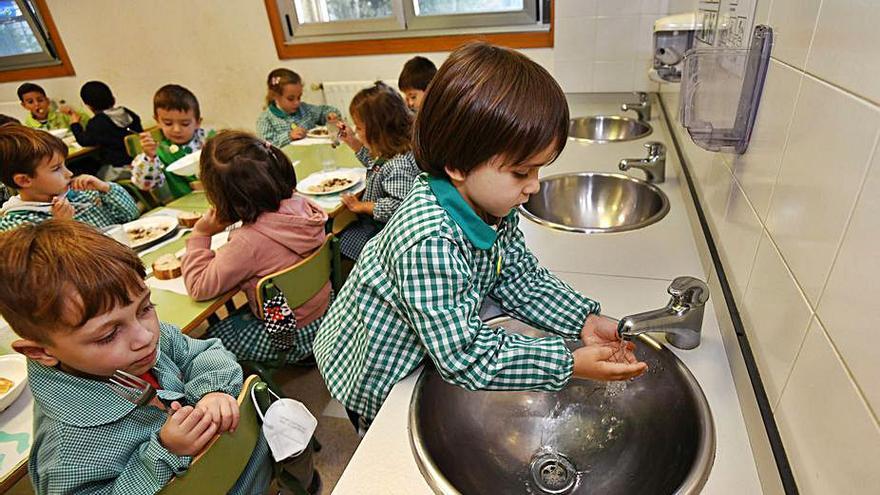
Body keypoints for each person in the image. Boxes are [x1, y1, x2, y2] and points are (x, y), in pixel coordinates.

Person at [314, 43, 647, 431]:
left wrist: (582, 319)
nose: (534, 187)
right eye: (522, 172)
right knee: (384, 436)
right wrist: (568, 363)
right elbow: (465, 354)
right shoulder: (428, 241)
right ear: (457, 164)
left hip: (422, 343)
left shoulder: (490, 207)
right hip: (374, 372)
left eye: (538, 170)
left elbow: (519, 277)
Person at [0, 219, 272, 495]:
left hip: (252, 472)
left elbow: (204, 352)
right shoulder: (65, 450)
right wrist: (163, 453)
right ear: (41, 351)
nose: (145, 337)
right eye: (107, 335)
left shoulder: (147, 339)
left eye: (145, 308)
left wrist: (212, 391)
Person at [181, 130, 332, 364]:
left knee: (205, 341)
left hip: (288, 335)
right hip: (328, 313)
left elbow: (199, 287)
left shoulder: (248, 242)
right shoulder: (303, 205)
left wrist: (201, 233)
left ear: (223, 197)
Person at [334, 81, 420, 260]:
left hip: (384, 234)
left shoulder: (398, 165)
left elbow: (399, 206)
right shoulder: (392, 152)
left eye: (358, 128)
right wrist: (352, 142)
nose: (356, 131)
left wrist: (362, 206)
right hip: (377, 224)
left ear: (376, 130)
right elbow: (376, 166)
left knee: (340, 240)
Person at [0, 125, 139, 231]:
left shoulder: (80, 193)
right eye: (56, 168)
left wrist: (105, 188)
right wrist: (63, 226)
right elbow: (49, 267)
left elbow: (131, 215)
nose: (69, 173)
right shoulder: (18, 224)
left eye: (64, 165)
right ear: (24, 180)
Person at [131, 84, 214, 198]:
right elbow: (145, 185)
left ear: (198, 122)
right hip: (186, 204)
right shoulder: (159, 153)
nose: (177, 130)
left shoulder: (210, 140)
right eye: (168, 123)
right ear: (158, 121)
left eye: (185, 124)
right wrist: (150, 157)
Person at [69, 80, 144, 178]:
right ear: (113, 98)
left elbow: (83, 141)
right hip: (142, 162)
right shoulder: (128, 113)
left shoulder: (98, 122)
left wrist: (75, 123)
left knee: (81, 168)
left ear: (88, 105)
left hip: (121, 170)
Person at [255, 68, 339, 147]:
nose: (297, 103)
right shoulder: (266, 120)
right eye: (290, 99)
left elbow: (323, 111)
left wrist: (330, 115)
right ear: (275, 96)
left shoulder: (305, 109)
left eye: (299, 97)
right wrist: (289, 136)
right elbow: (266, 146)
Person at [17, 82, 89, 130]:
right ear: (24, 106)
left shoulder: (62, 115)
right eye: (30, 102)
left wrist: (73, 113)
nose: (37, 104)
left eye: (40, 100)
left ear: (47, 101)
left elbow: (87, 124)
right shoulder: (28, 126)